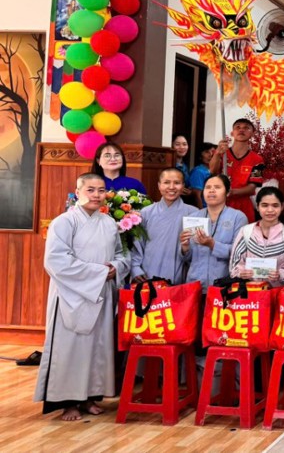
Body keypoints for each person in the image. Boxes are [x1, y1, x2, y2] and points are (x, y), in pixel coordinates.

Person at [34, 173, 128, 421]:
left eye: (101, 190)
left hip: (101, 293)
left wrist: (116, 268)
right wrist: (99, 273)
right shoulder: (64, 222)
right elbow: (56, 261)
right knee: (70, 349)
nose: (96, 195)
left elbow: (121, 255)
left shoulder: (109, 223)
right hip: (71, 294)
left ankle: (89, 398)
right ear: (77, 193)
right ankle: (68, 403)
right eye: (90, 190)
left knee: (97, 347)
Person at [130, 168, 198, 284]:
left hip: (179, 277)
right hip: (147, 274)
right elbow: (137, 245)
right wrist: (135, 268)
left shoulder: (194, 213)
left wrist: (186, 249)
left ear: (183, 186)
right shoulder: (146, 212)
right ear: (159, 185)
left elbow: (198, 251)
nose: (171, 187)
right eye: (166, 182)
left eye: (177, 183)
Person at [182, 174, 248, 291]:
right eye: (208, 187)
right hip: (195, 284)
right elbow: (188, 258)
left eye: (217, 187)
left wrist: (213, 245)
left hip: (224, 285)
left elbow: (240, 253)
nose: (211, 190)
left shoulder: (238, 217)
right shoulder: (194, 217)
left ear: (227, 192)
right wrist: (185, 247)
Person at [229, 187, 284, 287]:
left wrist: (280, 274)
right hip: (251, 291)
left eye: (275, 205)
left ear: (282, 206)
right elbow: (234, 264)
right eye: (264, 205)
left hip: (279, 292)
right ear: (257, 206)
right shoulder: (246, 231)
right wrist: (241, 272)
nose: (270, 210)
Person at [210, 118, 264, 223]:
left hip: (243, 205)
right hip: (221, 202)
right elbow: (212, 171)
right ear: (232, 133)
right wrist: (217, 153)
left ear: (252, 134)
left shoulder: (258, 160)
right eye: (238, 127)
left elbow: (252, 188)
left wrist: (232, 192)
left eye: (246, 128)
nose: (241, 130)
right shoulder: (222, 153)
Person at [189, 143, 215, 208]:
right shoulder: (198, 171)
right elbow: (196, 196)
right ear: (200, 155)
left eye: (212, 152)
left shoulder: (215, 171)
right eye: (206, 152)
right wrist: (202, 212)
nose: (210, 155)